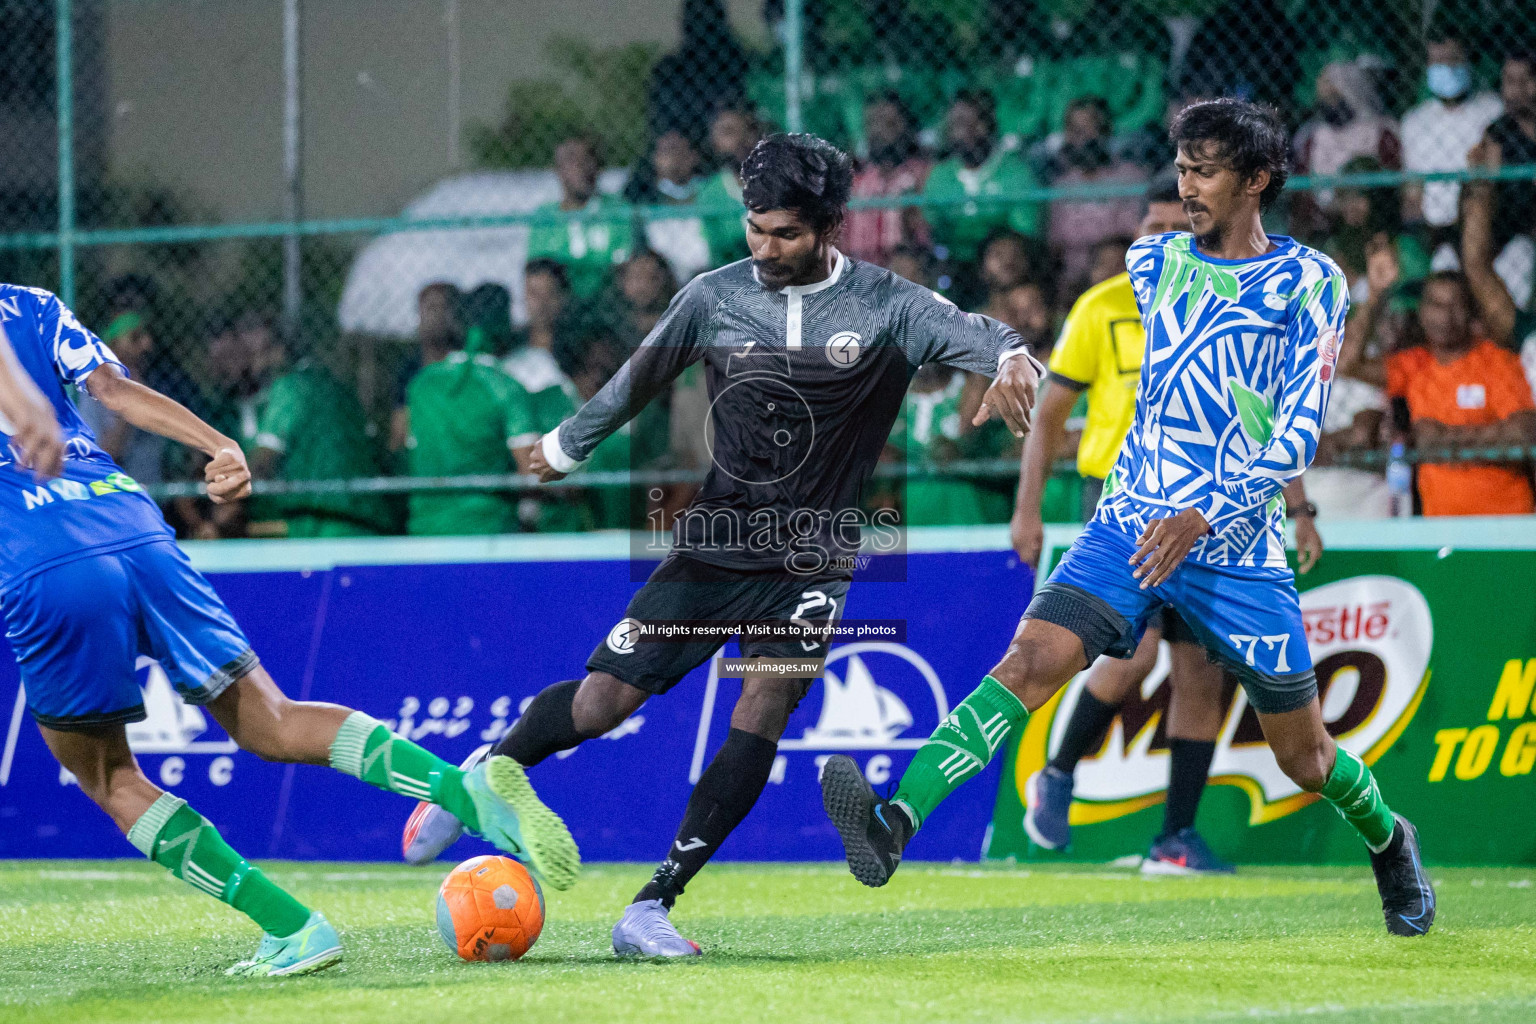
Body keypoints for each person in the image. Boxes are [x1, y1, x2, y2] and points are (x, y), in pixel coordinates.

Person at [401, 132, 1043, 957]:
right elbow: (641, 375)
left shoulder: (888, 305)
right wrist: (568, 444)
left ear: (831, 225)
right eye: (755, 228)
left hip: (815, 554)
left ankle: (653, 905)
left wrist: (1014, 355)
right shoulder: (713, 295)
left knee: (763, 709)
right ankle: (478, 776)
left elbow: (976, 331)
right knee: (604, 705)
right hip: (715, 542)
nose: (766, 250)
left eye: (786, 234)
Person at [821, 99, 1437, 938]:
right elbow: (1079, 346)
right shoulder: (1153, 264)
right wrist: (1007, 360)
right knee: (1030, 661)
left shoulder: (1310, 281)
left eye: (1205, 170)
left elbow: (1295, 430)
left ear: (1256, 179)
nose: (1186, 186)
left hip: (1238, 547)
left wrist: (1206, 510)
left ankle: (1388, 837)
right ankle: (895, 826)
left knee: (1305, 756)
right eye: (1181, 168)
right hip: (1128, 523)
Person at [0, 287, 576, 977]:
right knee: (271, 719)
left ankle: (292, 927)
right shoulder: (28, 302)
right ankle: (461, 788)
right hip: (129, 523)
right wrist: (218, 443)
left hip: (43, 555)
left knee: (111, 776)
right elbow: (112, 387)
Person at [1010, 170, 1323, 871]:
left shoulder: (1239, 302)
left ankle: (1174, 839)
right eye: (1151, 230)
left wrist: (1297, 509)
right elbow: (1051, 416)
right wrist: (1027, 509)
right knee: (1138, 651)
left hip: (1216, 513)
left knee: (1198, 675)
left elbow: (1266, 422)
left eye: (1173, 229)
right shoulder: (1103, 307)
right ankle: (1058, 771)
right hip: (1122, 500)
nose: (1162, 241)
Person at [1383, 272, 1536, 516]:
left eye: (1456, 305)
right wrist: (1373, 294)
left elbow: (1524, 430)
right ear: (1421, 311)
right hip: (1440, 523)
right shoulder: (1414, 367)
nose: (1445, 316)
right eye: (1436, 304)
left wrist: (1446, 438)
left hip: (1506, 518)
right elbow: (1347, 364)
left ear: (1471, 313)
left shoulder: (1496, 362)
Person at [247, 335, 396, 538]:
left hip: (319, 526)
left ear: (279, 351)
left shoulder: (290, 388)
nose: (254, 363)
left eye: (259, 354)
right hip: (369, 522)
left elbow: (262, 461)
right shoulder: (343, 390)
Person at [404, 302, 532, 536]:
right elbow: (531, 470)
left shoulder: (421, 385)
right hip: (489, 532)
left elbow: (407, 451)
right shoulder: (505, 386)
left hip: (425, 533)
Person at [1400, 26, 1502, 234]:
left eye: (1453, 59)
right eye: (1438, 62)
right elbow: (1413, 192)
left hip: (1485, 219)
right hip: (1432, 226)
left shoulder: (1493, 110)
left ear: (1468, 61)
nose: (1445, 67)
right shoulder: (1414, 121)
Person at [923, 90, 1043, 265]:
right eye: (960, 124)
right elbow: (930, 225)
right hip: (951, 261)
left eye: (977, 122)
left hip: (1000, 261)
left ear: (990, 123)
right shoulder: (939, 175)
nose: (969, 132)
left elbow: (1024, 232)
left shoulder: (1015, 171)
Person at [1046, 96, 1148, 296]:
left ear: (1107, 130)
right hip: (1073, 279)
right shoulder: (1062, 186)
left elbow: (1127, 236)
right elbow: (1056, 244)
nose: (1084, 139)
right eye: (1076, 131)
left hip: (1118, 273)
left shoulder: (1131, 178)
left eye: (1092, 128)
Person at [526, 136, 634, 299]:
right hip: (565, 296)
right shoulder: (545, 216)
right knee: (540, 282)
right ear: (558, 170)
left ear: (599, 166)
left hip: (611, 293)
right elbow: (539, 265)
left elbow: (626, 257)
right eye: (571, 159)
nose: (580, 167)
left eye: (587, 159)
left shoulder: (619, 209)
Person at [845, 92, 932, 267]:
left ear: (905, 126)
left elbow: (927, 238)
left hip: (904, 270)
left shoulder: (922, 175)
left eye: (888, 124)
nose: (878, 132)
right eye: (872, 124)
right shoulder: (854, 178)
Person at [696, 103, 762, 268]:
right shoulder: (709, 193)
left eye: (748, 130)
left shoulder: (781, 182)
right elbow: (716, 250)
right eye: (728, 132)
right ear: (714, 141)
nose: (740, 139)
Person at [1485, 52, 1536, 254]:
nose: (1514, 90)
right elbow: (1491, 188)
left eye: (1524, 80)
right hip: (1513, 233)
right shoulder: (1498, 133)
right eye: (1509, 81)